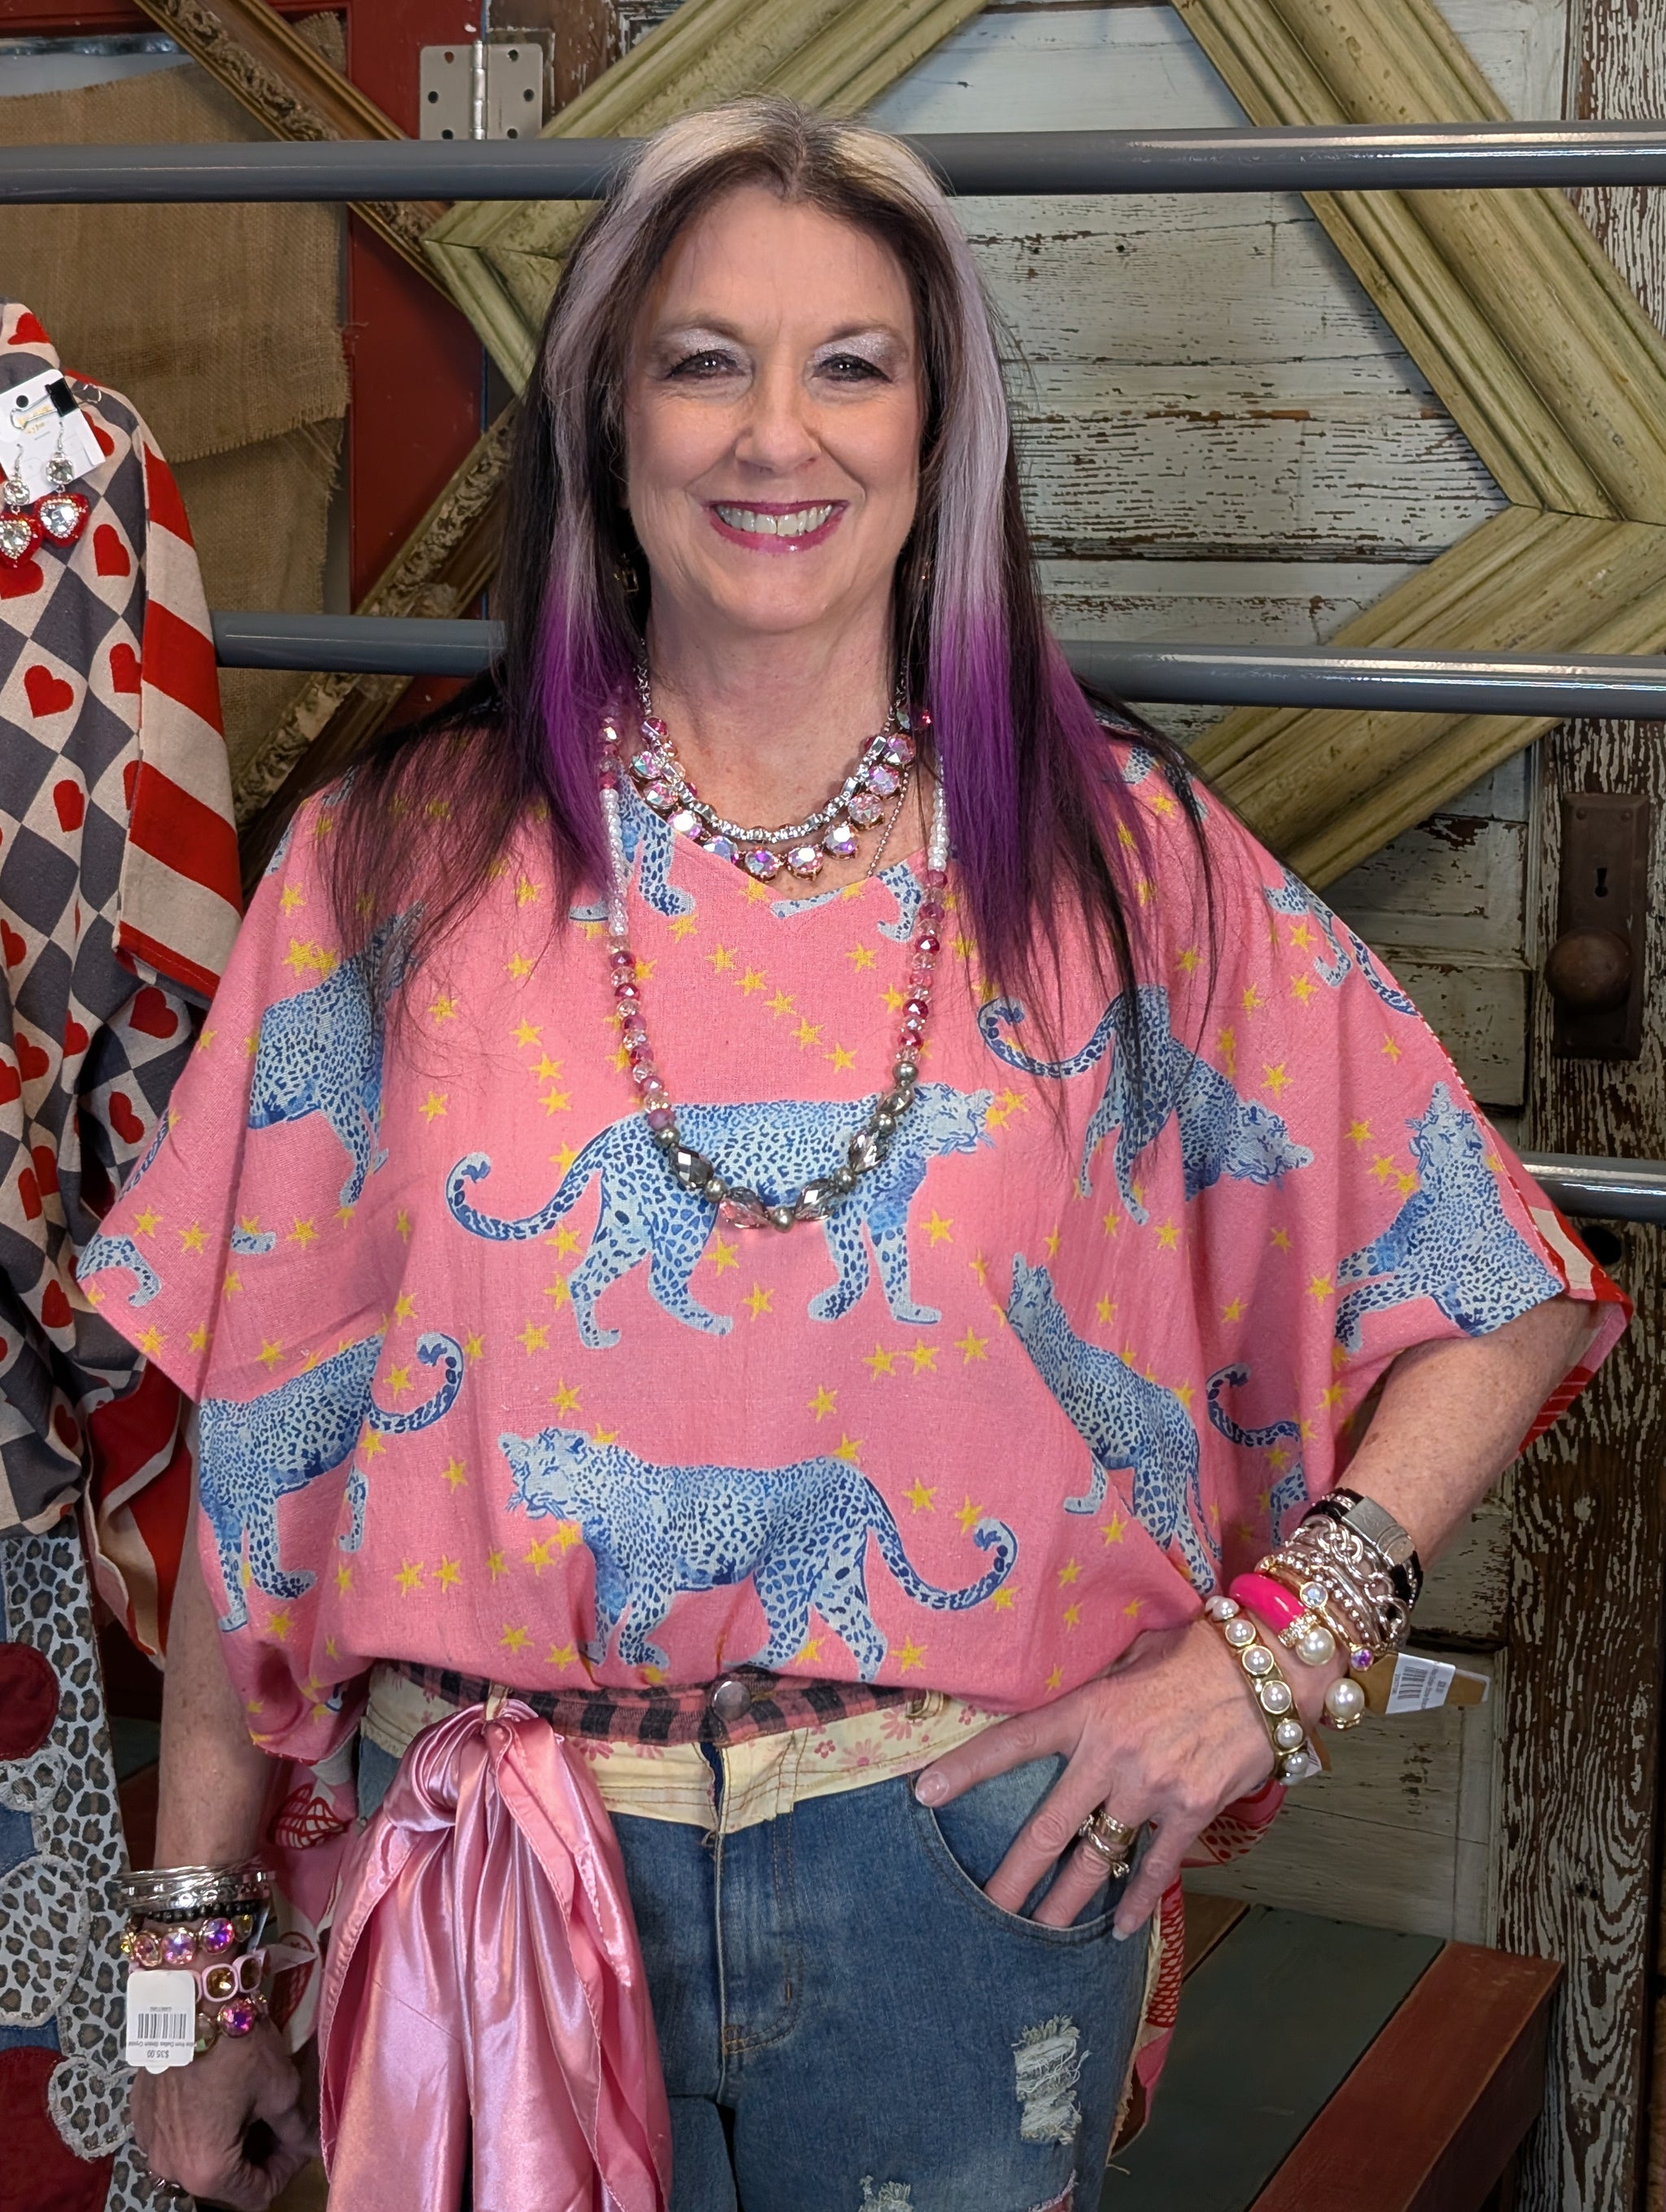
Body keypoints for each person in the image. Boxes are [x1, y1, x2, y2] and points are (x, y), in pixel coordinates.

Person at [89, 95, 1624, 2212]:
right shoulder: (392, 871)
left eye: (851, 365)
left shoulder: (1116, 867)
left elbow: (1501, 1284)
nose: (774, 436)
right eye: (704, 361)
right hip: (484, 1899)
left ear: (938, 427)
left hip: (962, 1888)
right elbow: (252, 1445)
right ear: (606, 415)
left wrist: (1264, 1664)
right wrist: (185, 1980)